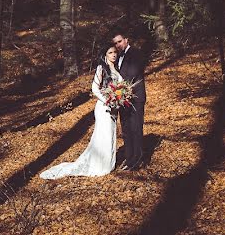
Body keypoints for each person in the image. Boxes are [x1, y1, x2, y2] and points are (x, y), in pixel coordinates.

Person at [40, 46, 120, 179]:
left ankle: (108, 163)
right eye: (110, 53)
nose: (113, 55)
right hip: (104, 107)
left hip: (114, 108)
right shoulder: (102, 68)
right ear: (105, 55)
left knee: (111, 134)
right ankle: (100, 165)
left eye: (115, 52)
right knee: (103, 135)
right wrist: (107, 100)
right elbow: (94, 88)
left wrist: (119, 98)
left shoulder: (116, 69)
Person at [113, 32, 147, 170]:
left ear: (126, 40)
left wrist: (117, 87)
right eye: (115, 43)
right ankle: (129, 159)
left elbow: (132, 73)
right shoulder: (118, 57)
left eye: (120, 41)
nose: (118, 45)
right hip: (122, 98)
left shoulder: (136, 53)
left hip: (135, 97)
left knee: (136, 128)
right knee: (126, 130)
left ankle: (138, 160)